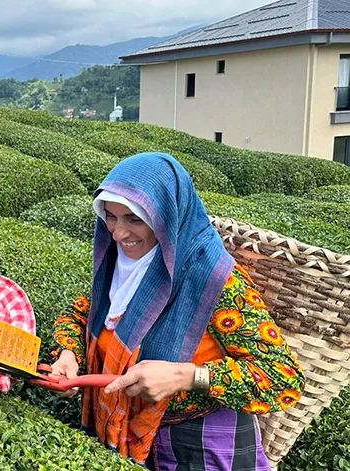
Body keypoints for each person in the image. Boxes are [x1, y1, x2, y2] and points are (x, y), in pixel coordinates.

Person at [49, 153, 304, 470]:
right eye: (110, 217)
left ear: (168, 217)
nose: (117, 233)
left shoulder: (214, 281)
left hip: (202, 447)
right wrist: (69, 355)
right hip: (131, 442)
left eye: (134, 219)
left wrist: (186, 376)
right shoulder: (119, 268)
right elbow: (81, 315)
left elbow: (283, 378)